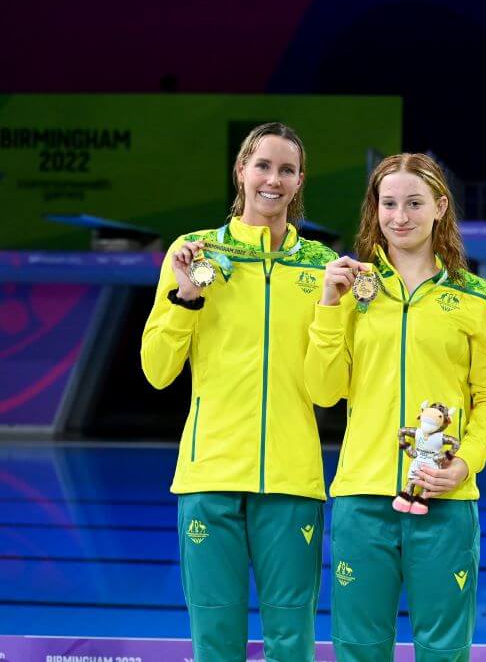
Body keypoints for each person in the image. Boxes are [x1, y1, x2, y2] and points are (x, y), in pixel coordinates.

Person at [305, 153, 486, 662]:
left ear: (440, 206)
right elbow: (324, 390)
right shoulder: (352, 292)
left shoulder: (477, 297)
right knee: (359, 650)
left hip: (446, 500)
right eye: (389, 203)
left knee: (444, 651)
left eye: (414, 203)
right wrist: (328, 305)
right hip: (362, 497)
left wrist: (464, 465)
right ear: (374, 211)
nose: (401, 216)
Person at [141, 122, 334, 661]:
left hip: (292, 480)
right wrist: (186, 296)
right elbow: (157, 370)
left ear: (299, 182)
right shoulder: (192, 253)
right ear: (242, 171)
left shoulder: (320, 266)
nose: (273, 179)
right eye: (263, 165)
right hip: (211, 474)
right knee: (216, 645)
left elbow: (331, 386)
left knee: (291, 645)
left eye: (287, 169)